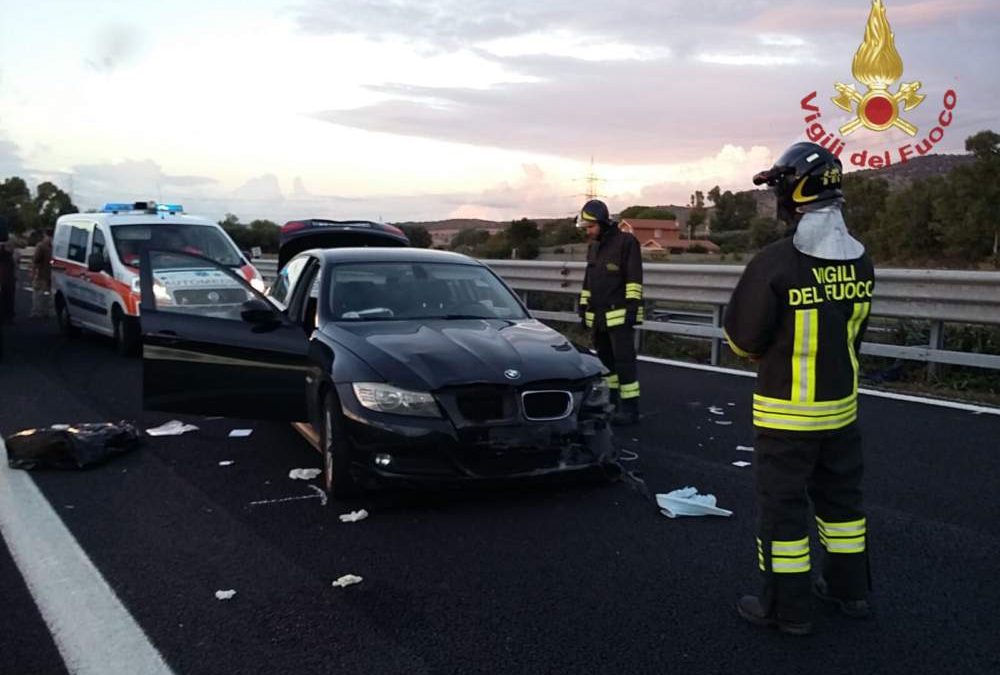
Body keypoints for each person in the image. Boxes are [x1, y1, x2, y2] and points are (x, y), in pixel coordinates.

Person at [724, 142, 875, 635]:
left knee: (784, 516)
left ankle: (786, 611)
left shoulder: (775, 263)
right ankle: (850, 592)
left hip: (787, 419)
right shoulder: (861, 261)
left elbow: (743, 340)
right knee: (843, 510)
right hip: (842, 414)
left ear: (794, 191)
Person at [576, 199, 644, 426]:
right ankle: (613, 403)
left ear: (603, 223)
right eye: (586, 229)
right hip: (599, 318)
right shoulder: (594, 247)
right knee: (606, 363)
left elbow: (634, 280)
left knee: (624, 363)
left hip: (620, 316)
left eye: (591, 227)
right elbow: (588, 281)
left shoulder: (626, 243)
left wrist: (632, 309)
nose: (588, 232)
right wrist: (583, 308)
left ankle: (630, 409)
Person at [31, 229, 54, 319]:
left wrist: (33, 272)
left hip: (41, 273)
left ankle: (36, 312)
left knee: (37, 294)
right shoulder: (53, 246)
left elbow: (35, 260)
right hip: (49, 274)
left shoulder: (40, 246)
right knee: (47, 294)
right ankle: (47, 311)